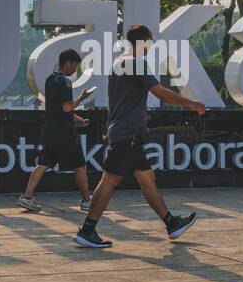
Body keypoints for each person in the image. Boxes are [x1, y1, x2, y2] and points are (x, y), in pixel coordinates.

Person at [75, 24, 206, 250]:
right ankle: (87, 230)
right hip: (128, 133)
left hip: (125, 131)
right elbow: (159, 91)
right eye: (150, 41)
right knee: (109, 181)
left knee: (147, 179)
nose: (151, 46)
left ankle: (171, 223)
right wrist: (190, 103)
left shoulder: (118, 63)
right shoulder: (137, 63)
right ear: (143, 42)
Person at [16, 48, 93, 213]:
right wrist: (82, 98)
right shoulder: (65, 82)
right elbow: (66, 108)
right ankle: (87, 200)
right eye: (74, 66)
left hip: (51, 131)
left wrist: (79, 120)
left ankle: (27, 197)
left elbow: (58, 109)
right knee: (79, 165)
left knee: (43, 164)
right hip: (66, 134)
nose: (74, 70)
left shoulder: (50, 80)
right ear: (68, 63)